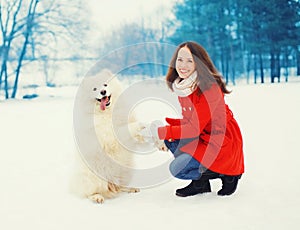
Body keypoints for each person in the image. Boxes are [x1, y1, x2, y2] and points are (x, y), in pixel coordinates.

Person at [140, 41, 244, 197]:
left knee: (177, 168)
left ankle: (228, 175)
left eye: (190, 61)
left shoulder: (209, 88)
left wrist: (161, 131)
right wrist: (165, 130)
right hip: (203, 137)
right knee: (171, 140)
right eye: (180, 59)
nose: (183, 65)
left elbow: (194, 128)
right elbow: (193, 122)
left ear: (199, 64)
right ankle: (200, 184)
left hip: (221, 141)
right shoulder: (184, 86)